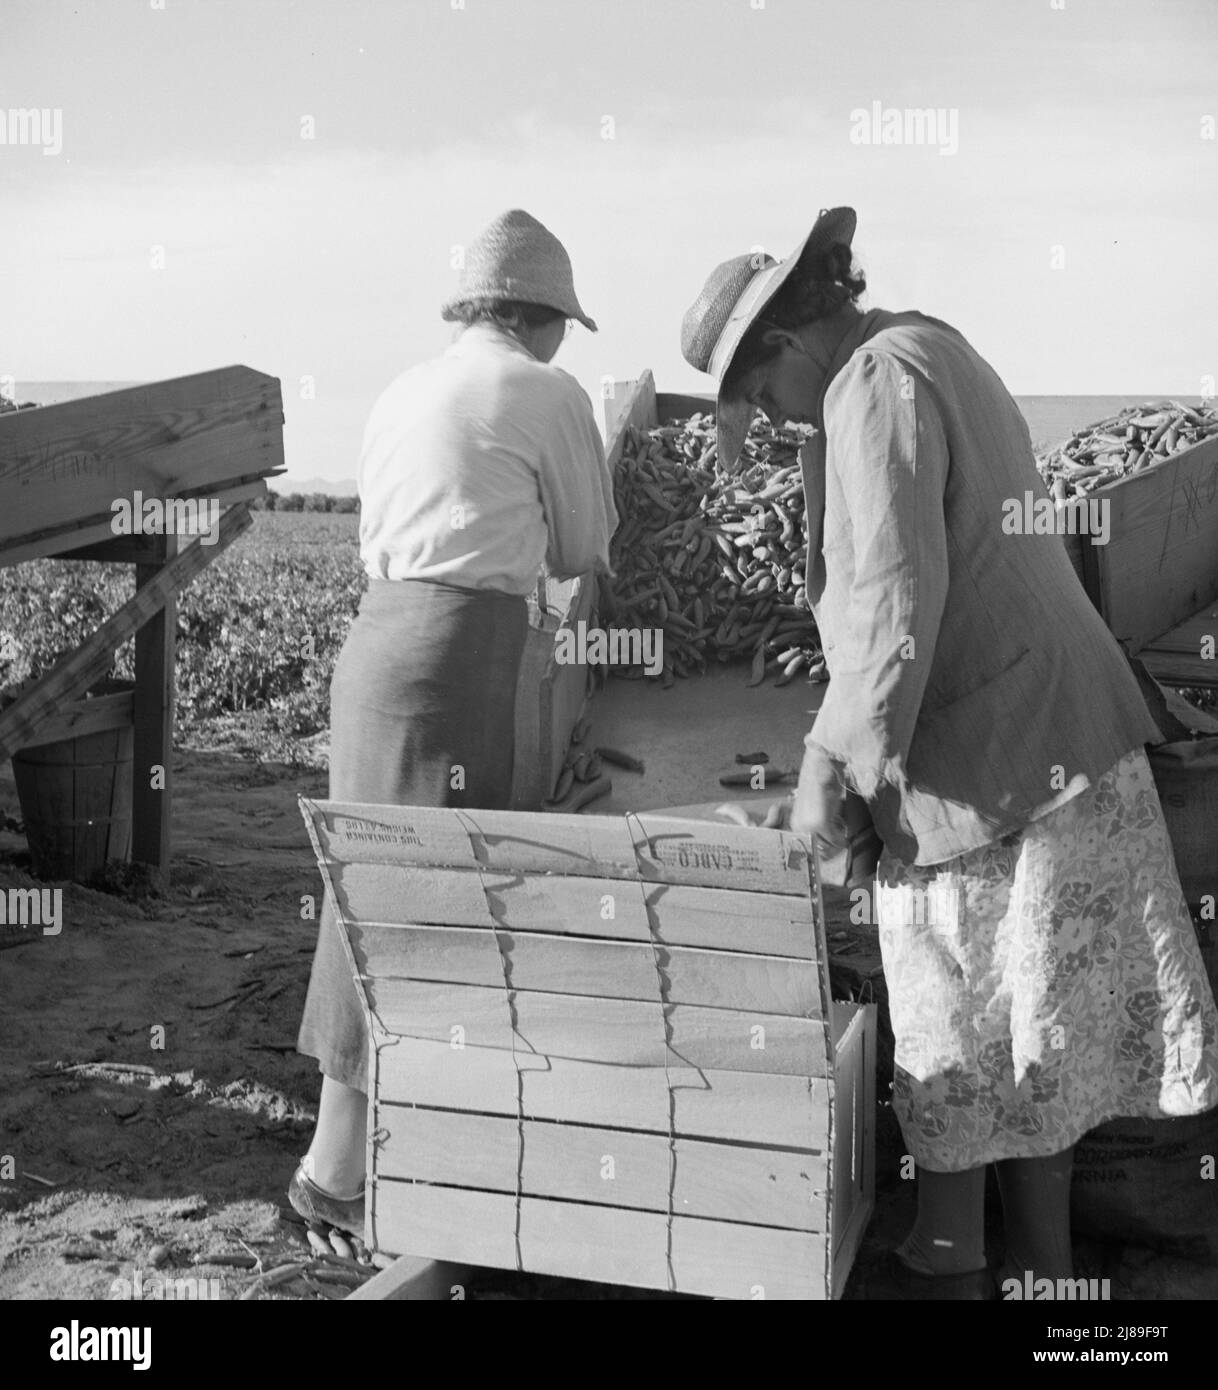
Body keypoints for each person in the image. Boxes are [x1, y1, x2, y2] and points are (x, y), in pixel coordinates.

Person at [682, 208, 1218, 1299]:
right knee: (1035, 1056)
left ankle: (957, 1269)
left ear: (784, 347)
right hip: (1052, 746)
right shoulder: (932, 343)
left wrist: (825, 798)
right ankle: (1037, 1278)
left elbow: (892, 617)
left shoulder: (869, 386)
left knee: (963, 1046)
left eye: (760, 399)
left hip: (999, 770)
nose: (772, 421)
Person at [289, 209, 617, 1234]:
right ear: (539, 317)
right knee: (426, 900)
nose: (564, 338)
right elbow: (583, 547)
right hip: (458, 661)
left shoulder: (404, 387)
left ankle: (383, 1157)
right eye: (562, 320)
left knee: (374, 891)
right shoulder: (545, 390)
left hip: (380, 647)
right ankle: (335, 1176)